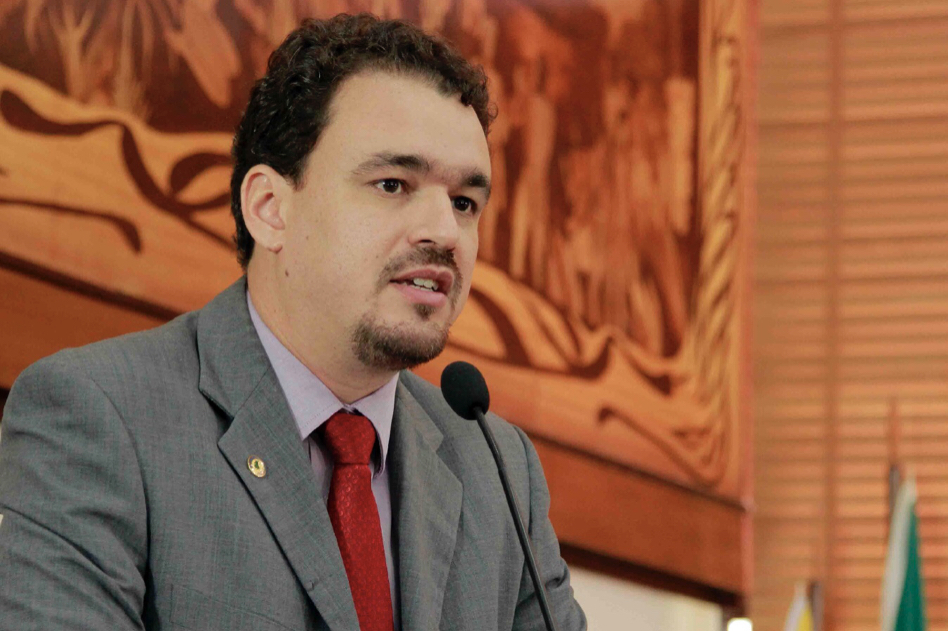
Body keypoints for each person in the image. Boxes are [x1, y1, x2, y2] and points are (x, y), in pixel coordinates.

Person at [0, 14, 586, 631]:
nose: (445, 232)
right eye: (393, 184)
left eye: (464, 202)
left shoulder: (497, 468)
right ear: (269, 209)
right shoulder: (99, 416)